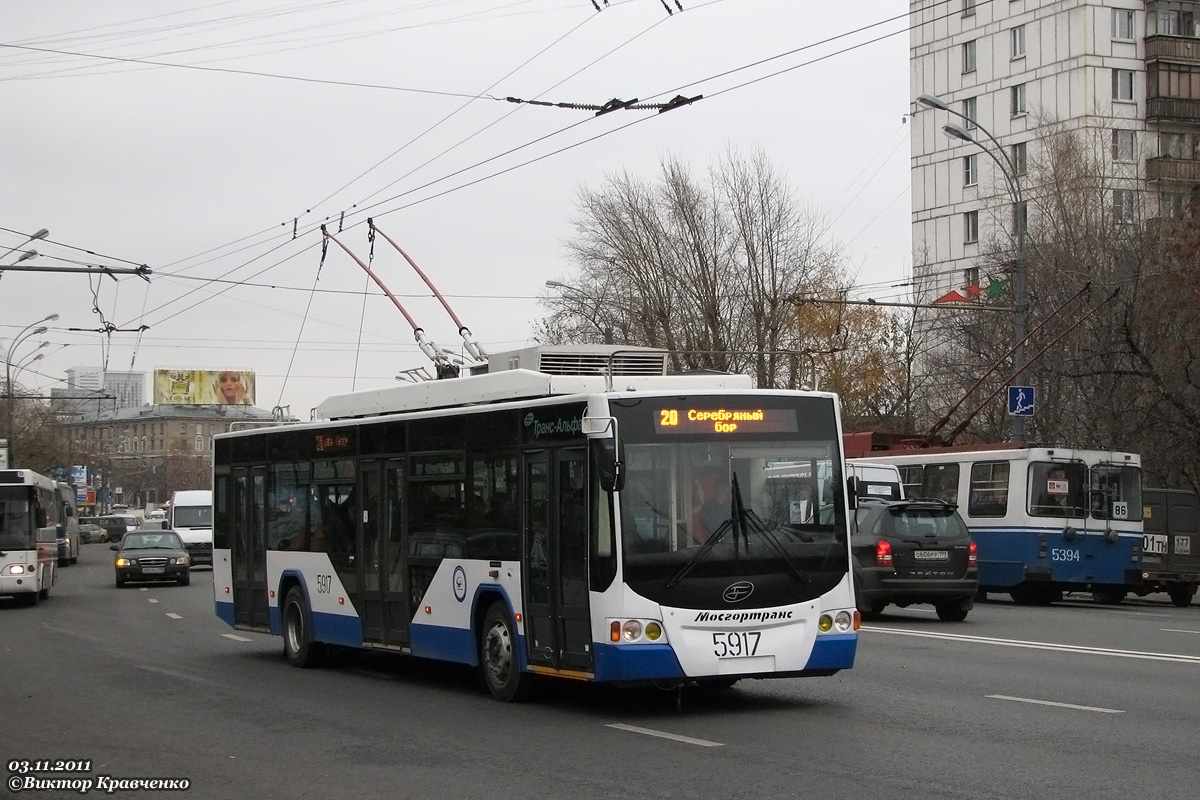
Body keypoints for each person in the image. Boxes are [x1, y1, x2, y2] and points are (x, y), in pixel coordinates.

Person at [695, 471, 731, 544]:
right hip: (716, 547)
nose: (730, 494)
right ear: (721, 489)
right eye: (728, 490)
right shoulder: (708, 509)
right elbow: (712, 531)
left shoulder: (732, 507)